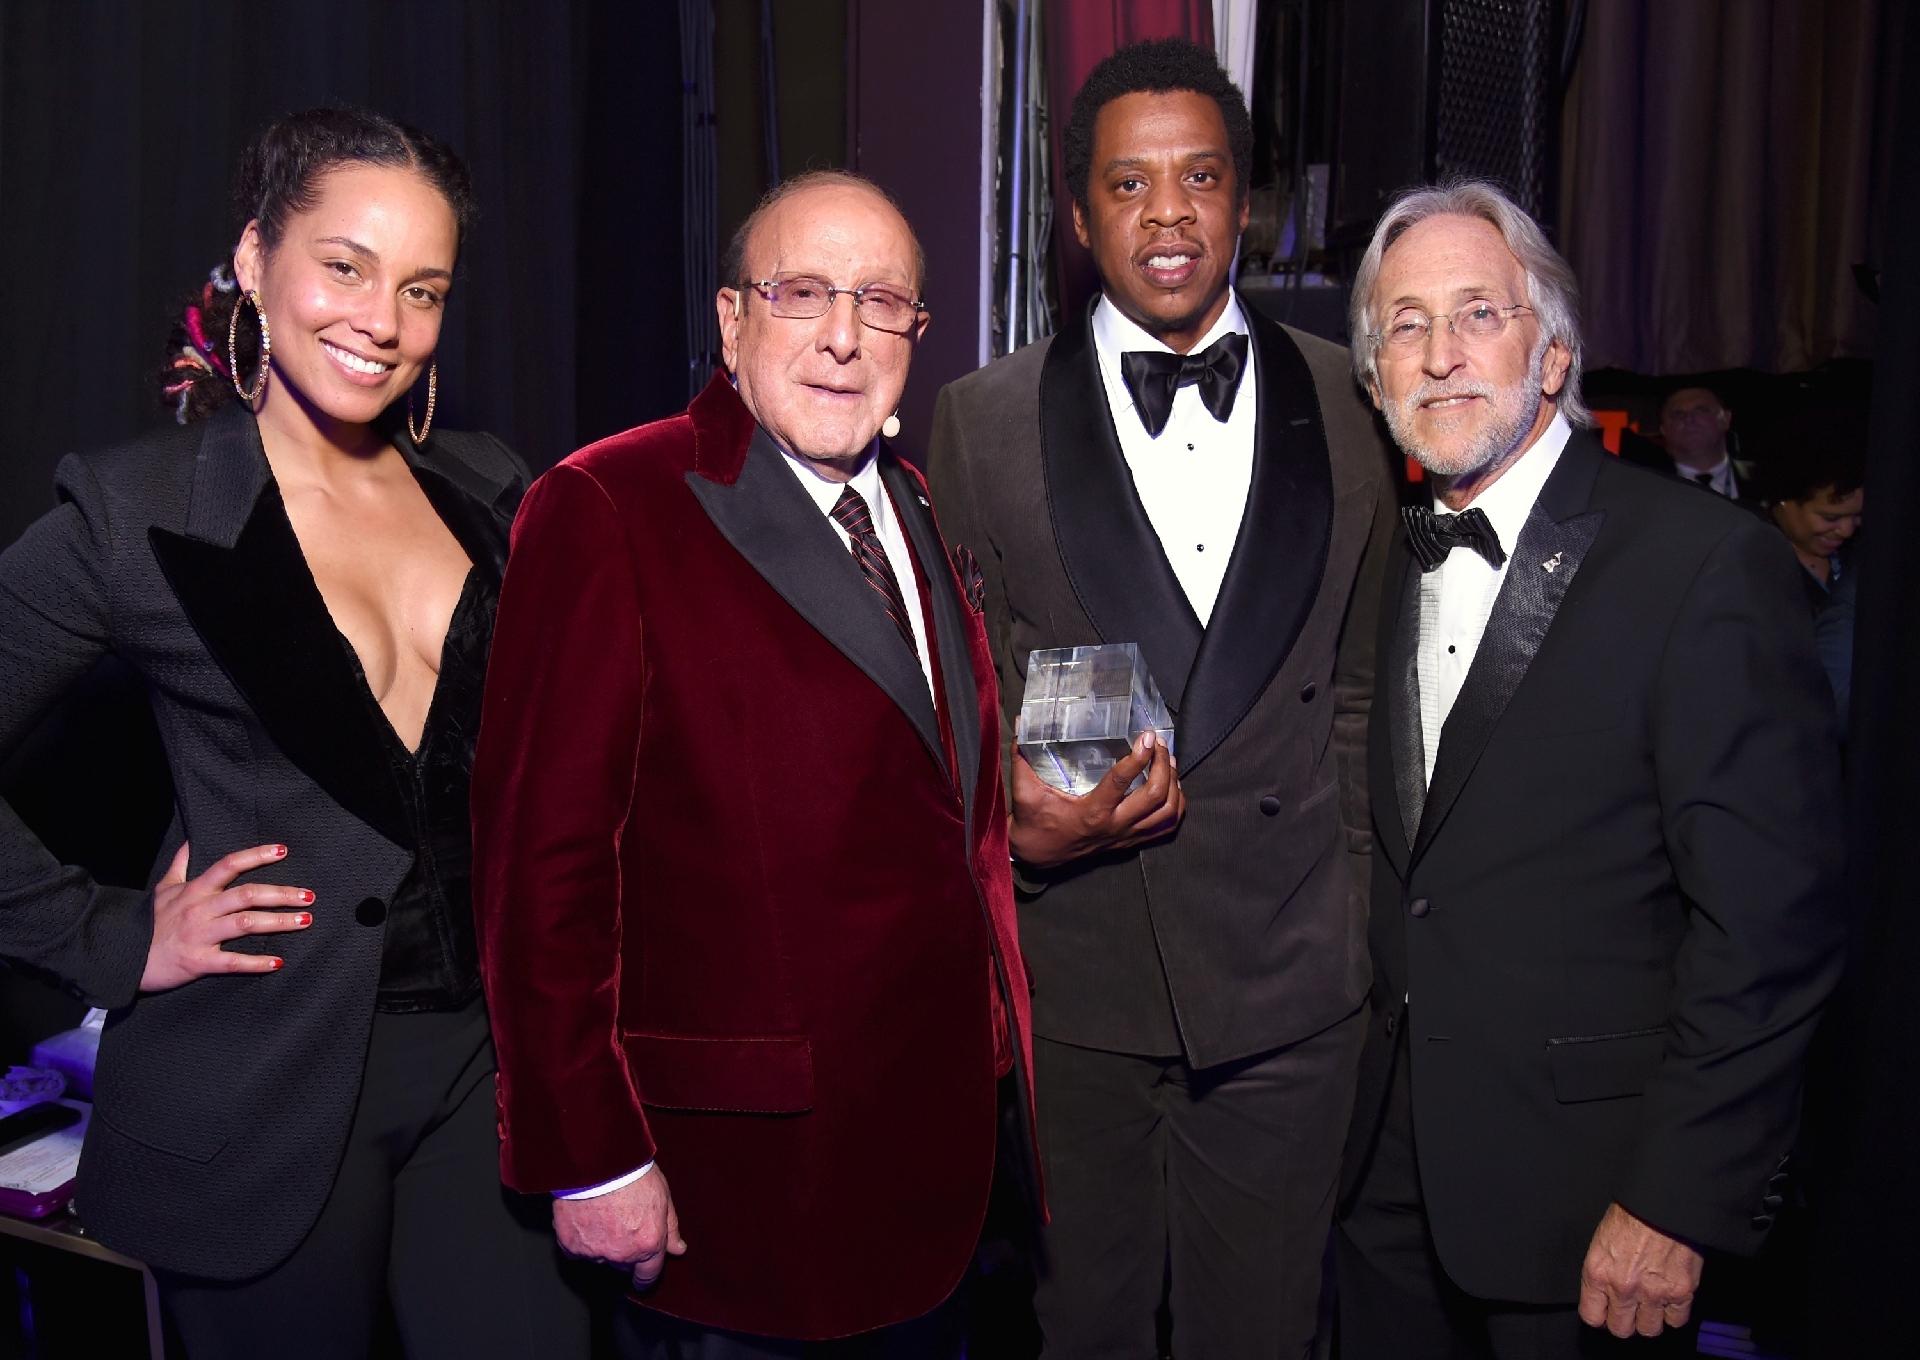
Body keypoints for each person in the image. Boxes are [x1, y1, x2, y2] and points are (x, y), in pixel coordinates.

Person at [0, 109, 588, 1356]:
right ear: (257, 257)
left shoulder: (500, 492)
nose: (382, 318)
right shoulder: (139, 509)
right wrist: (110, 931)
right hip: (257, 1090)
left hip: (494, 1076)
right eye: (346, 264)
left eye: (422, 287)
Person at [471, 169, 1037, 1359]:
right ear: (732, 321)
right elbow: (541, 872)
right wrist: (593, 1155)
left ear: (917, 334)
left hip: (936, 1180)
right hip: (736, 1192)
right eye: (803, 293)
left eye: (881, 302)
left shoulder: (917, 507)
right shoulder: (608, 504)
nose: (843, 334)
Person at [926, 38, 1394, 1360]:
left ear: (1246, 202)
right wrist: (1011, 831)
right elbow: (963, 701)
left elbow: (1358, 698)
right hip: (1079, 985)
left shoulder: (1351, 404)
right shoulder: (983, 418)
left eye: (1201, 178)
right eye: (1130, 185)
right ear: (1078, 217)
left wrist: (1345, 924)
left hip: (1291, 986)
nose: (1170, 212)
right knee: (1084, 1331)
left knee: (1264, 1334)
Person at [1334, 179, 1845, 1359]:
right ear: (1373, 378)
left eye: (1478, 313)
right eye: (1406, 324)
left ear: (1554, 355)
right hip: (1382, 1199)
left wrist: (1679, 1197)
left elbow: (1773, 929)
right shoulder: (1377, 569)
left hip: (1595, 1212)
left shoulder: (1702, 567)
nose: (1442, 353)